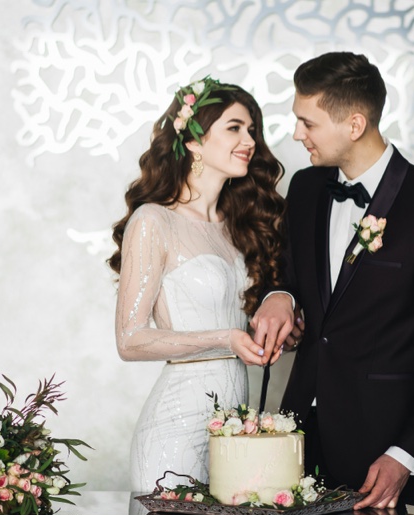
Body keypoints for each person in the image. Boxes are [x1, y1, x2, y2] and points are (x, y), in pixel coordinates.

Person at [252, 52, 414, 509]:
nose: (297, 134)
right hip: (292, 441)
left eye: (308, 123)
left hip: (381, 454)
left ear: (354, 125)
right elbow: (295, 279)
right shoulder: (306, 189)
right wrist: (279, 295)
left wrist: (406, 454)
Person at [108, 76, 285, 493]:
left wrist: (276, 332)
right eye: (234, 128)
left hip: (234, 430)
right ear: (193, 142)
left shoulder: (236, 227)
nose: (249, 141)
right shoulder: (154, 220)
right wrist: (228, 338)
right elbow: (130, 340)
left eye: (252, 130)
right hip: (176, 428)